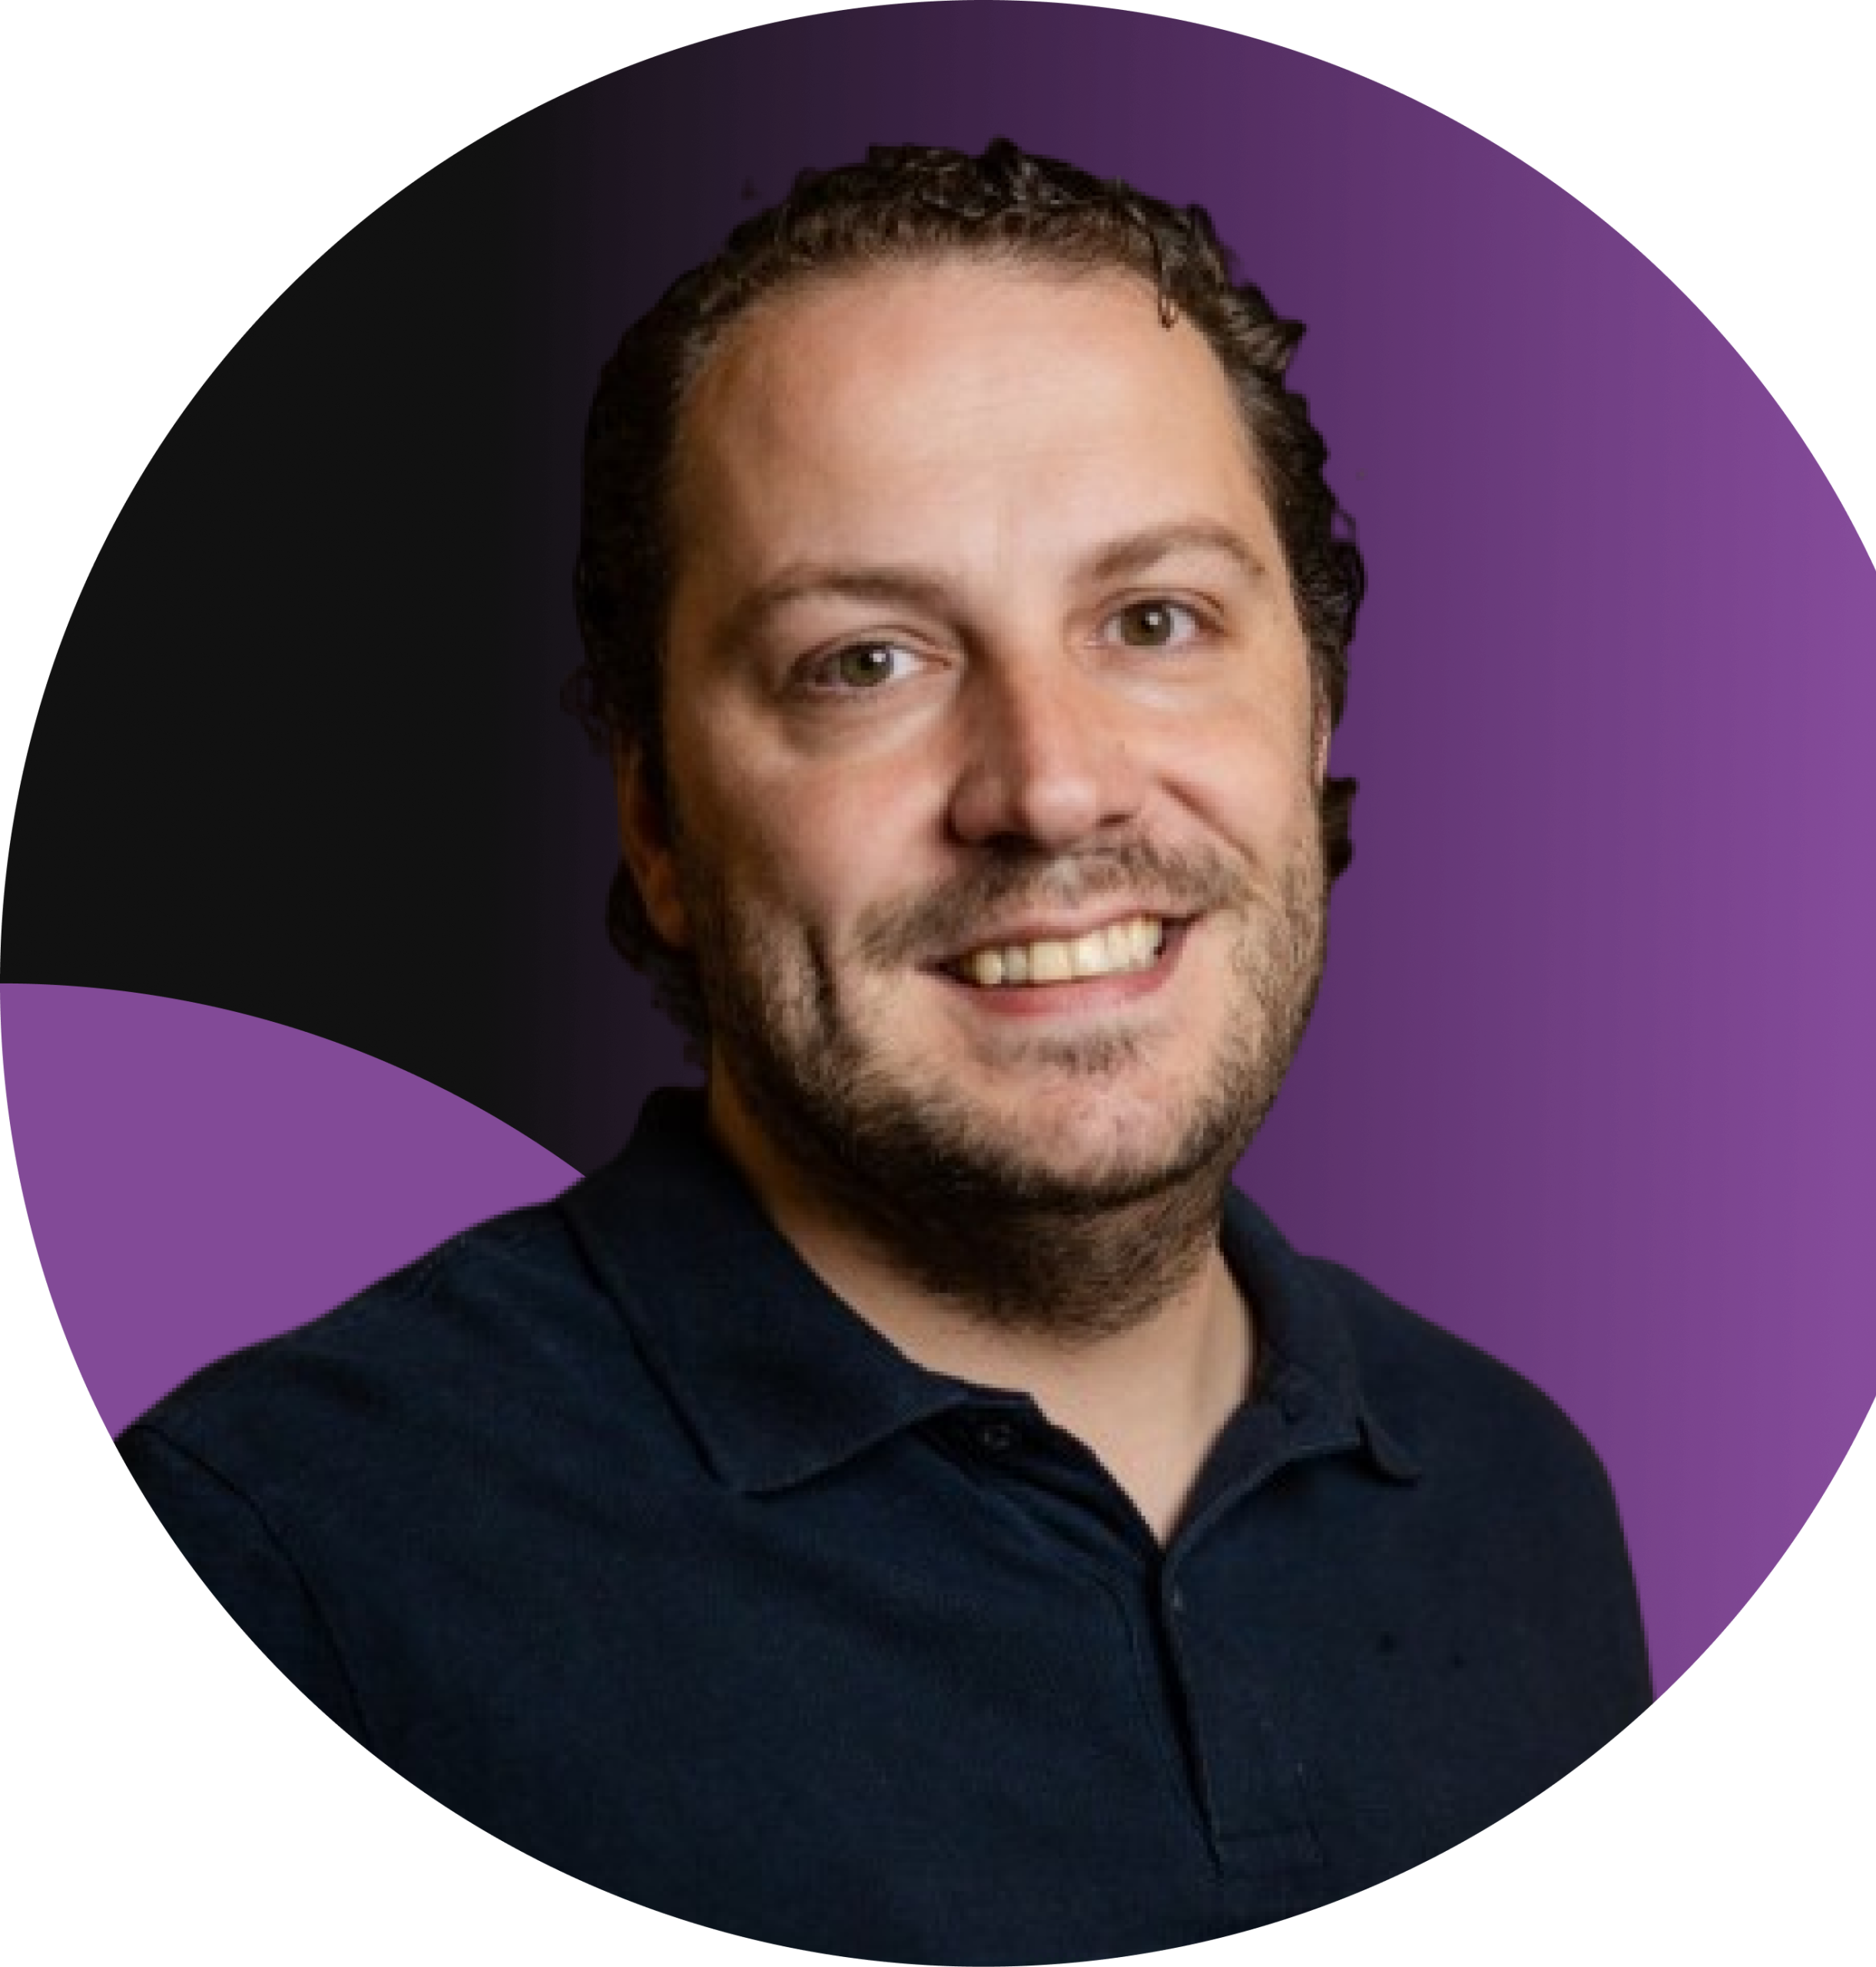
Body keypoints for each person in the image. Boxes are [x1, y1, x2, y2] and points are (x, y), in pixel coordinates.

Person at [117, 142, 1649, 1957]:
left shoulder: (1519, 1496)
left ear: (1308, 711)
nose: (1048, 785)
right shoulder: (286, 1557)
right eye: (864, 661)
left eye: (1152, 621)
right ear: (657, 821)